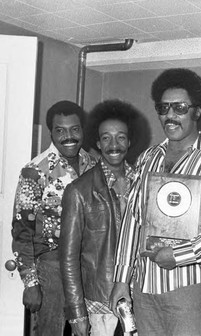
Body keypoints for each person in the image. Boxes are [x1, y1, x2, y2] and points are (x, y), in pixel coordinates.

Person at [109, 68, 201, 336]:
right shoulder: (149, 157)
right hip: (143, 285)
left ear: (197, 112)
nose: (170, 115)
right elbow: (132, 220)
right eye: (163, 107)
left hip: (188, 287)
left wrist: (181, 255)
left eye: (180, 108)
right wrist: (121, 279)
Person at [11, 100, 97, 336]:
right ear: (51, 132)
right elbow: (21, 231)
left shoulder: (95, 165)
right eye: (60, 130)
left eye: (75, 129)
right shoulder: (35, 171)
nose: (68, 136)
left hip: (88, 265)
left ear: (83, 130)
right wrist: (30, 283)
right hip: (52, 267)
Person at [59, 100, 139, 336]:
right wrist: (77, 314)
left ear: (130, 140)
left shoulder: (145, 183)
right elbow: (69, 259)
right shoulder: (78, 191)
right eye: (106, 138)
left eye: (121, 137)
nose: (114, 145)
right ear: (97, 142)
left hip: (142, 300)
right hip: (100, 305)